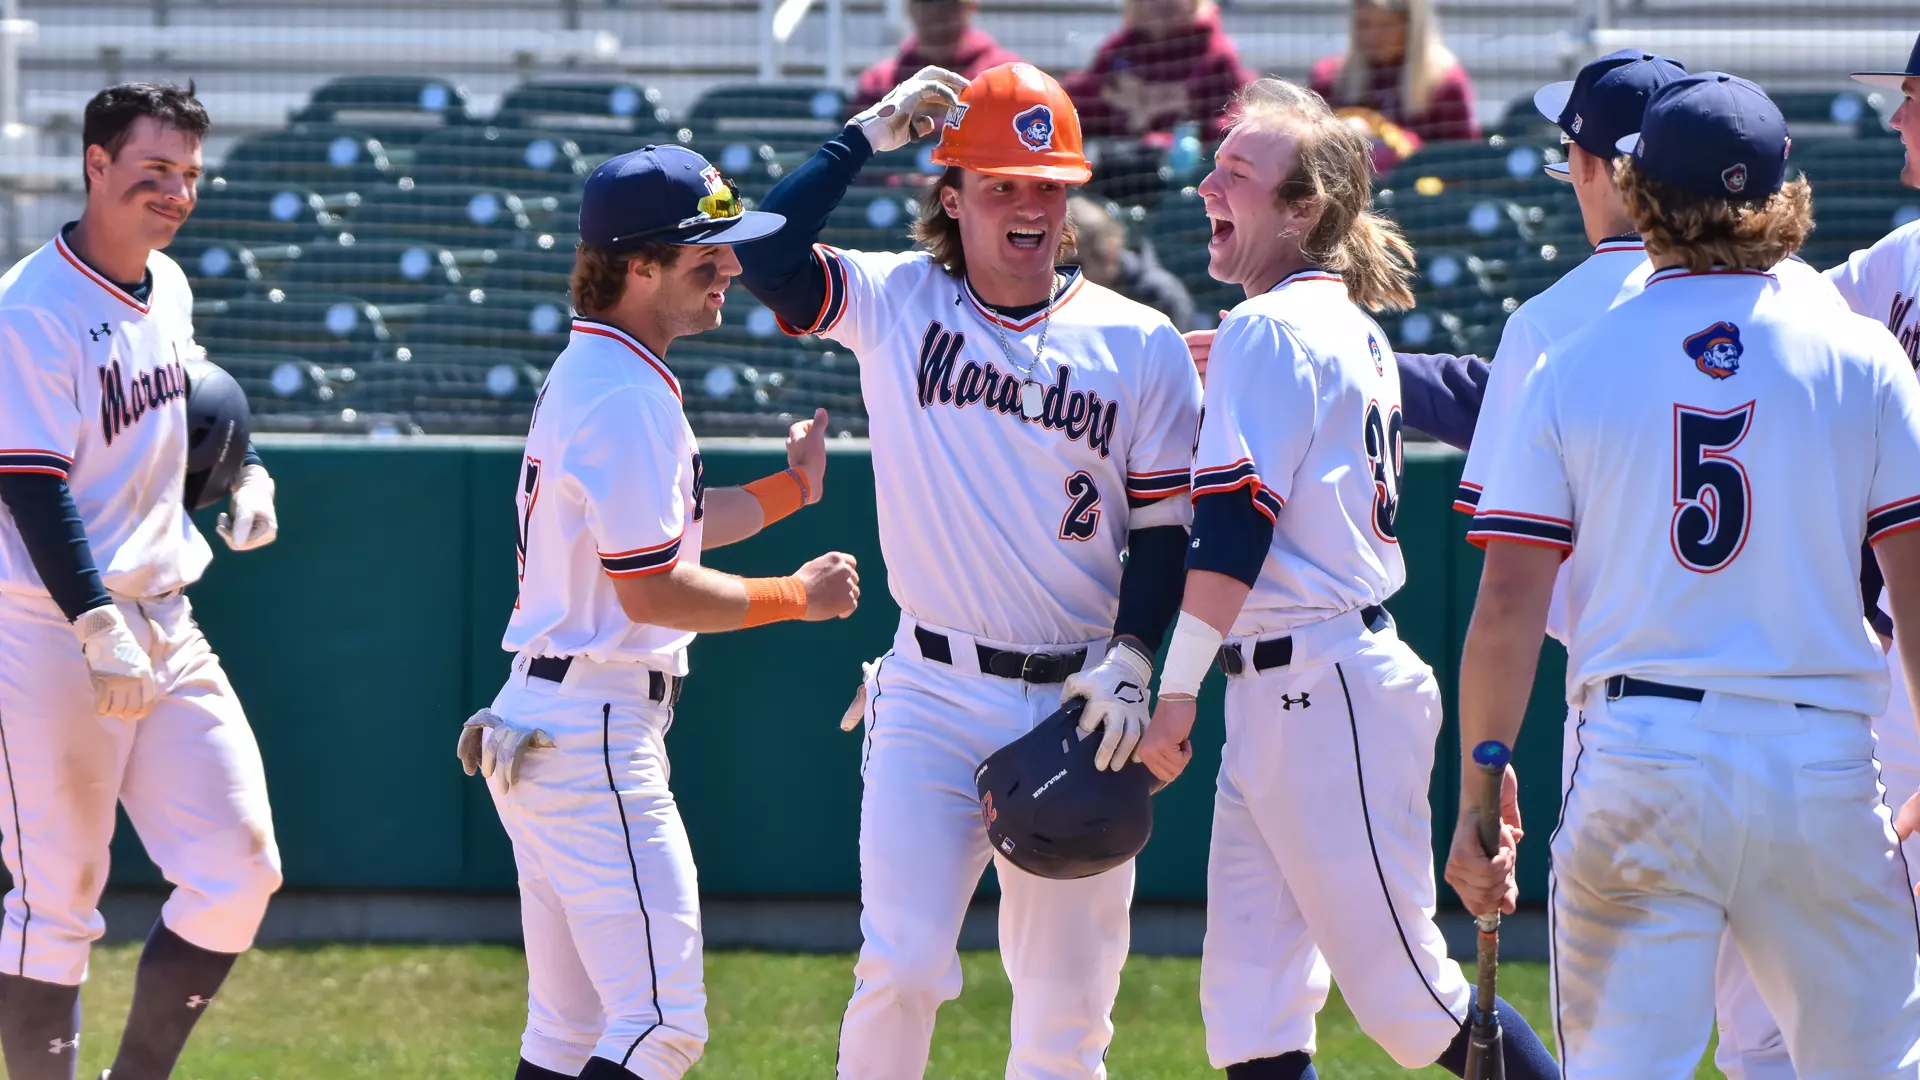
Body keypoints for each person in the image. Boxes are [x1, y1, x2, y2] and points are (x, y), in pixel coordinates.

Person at [1448, 72, 1920, 1077]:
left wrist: (1478, 797)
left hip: (1642, 757)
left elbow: (1505, 611)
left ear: (1641, 188)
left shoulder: (1572, 358)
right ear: (1785, 192)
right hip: (1821, 767)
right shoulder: (1864, 355)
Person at [736, 62, 1202, 1078]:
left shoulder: (1142, 341)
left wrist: (1134, 656)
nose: (1028, 205)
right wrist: (864, 134)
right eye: (1000, 183)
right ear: (952, 199)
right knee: (900, 966)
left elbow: (1168, 525)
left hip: (1082, 702)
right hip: (932, 693)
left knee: (1068, 1018)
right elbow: (765, 253)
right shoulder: (899, 301)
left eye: (1047, 185)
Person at [1130, 78, 1560, 1080]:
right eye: (1216, 160)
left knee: (1416, 1005)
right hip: (1298, 686)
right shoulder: (1334, 323)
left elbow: (1235, 528)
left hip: (1323, 690)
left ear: (1302, 209)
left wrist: (1174, 691)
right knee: (1251, 1013)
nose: (1208, 182)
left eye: (1240, 170)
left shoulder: (1273, 329)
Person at [462, 144, 861, 1080]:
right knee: (660, 1028)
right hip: (593, 729)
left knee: (567, 1034)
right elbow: (656, 589)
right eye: (704, 254)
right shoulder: (626, 394)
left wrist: (788, 491)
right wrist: (795, 599)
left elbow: (664, 534)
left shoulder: (598, 371)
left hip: (550, 720)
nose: (728, 267)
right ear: (636, 264)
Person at [0, 83, 285, 1080]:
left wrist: (244, 471)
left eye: (189, 176)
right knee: (57, 897)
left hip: (166, 616)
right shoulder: (31, 307)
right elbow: (29, 482)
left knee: (240, 869)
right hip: (45, 626)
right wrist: (91, 622)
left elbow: (192, 400)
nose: (175, 192)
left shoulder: (165, 284)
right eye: (154, 171)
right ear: (95, 164)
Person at [1707, 34, 1920, 1080]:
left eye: (1912, 98)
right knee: (1813, 1006)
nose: (1896, 121)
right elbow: (1744, 319)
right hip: (1890, 671)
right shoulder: (1899, 262)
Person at [1064, 0, 1255, 143]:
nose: (1163, 4)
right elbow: (1085, 100)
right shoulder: (1119, 50)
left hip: (1191, 176)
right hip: (1122, 167)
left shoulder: (1215, 52)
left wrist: (1181, 140)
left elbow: (1234, 117)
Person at [1310, 0, 1479, 144]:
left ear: (1411, 24)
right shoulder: (1330, 79)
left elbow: (1461, 163)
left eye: (1387, 24)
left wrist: (1391, 144)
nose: (1374, 36)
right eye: (1364, 24)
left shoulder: (1444, 82)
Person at [847, 0, 1019, 115]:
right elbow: (858, 159)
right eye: (926, 0)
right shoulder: (878, 81)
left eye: (948, 1)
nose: (936, 11)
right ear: (908, 7)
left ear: (971, 5)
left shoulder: (1010, 76)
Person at [1069, 195, 1200, 330]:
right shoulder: (1065, 296)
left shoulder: (1159, 295)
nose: (1063, 273)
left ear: (1109, 250)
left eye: (1074, 264)